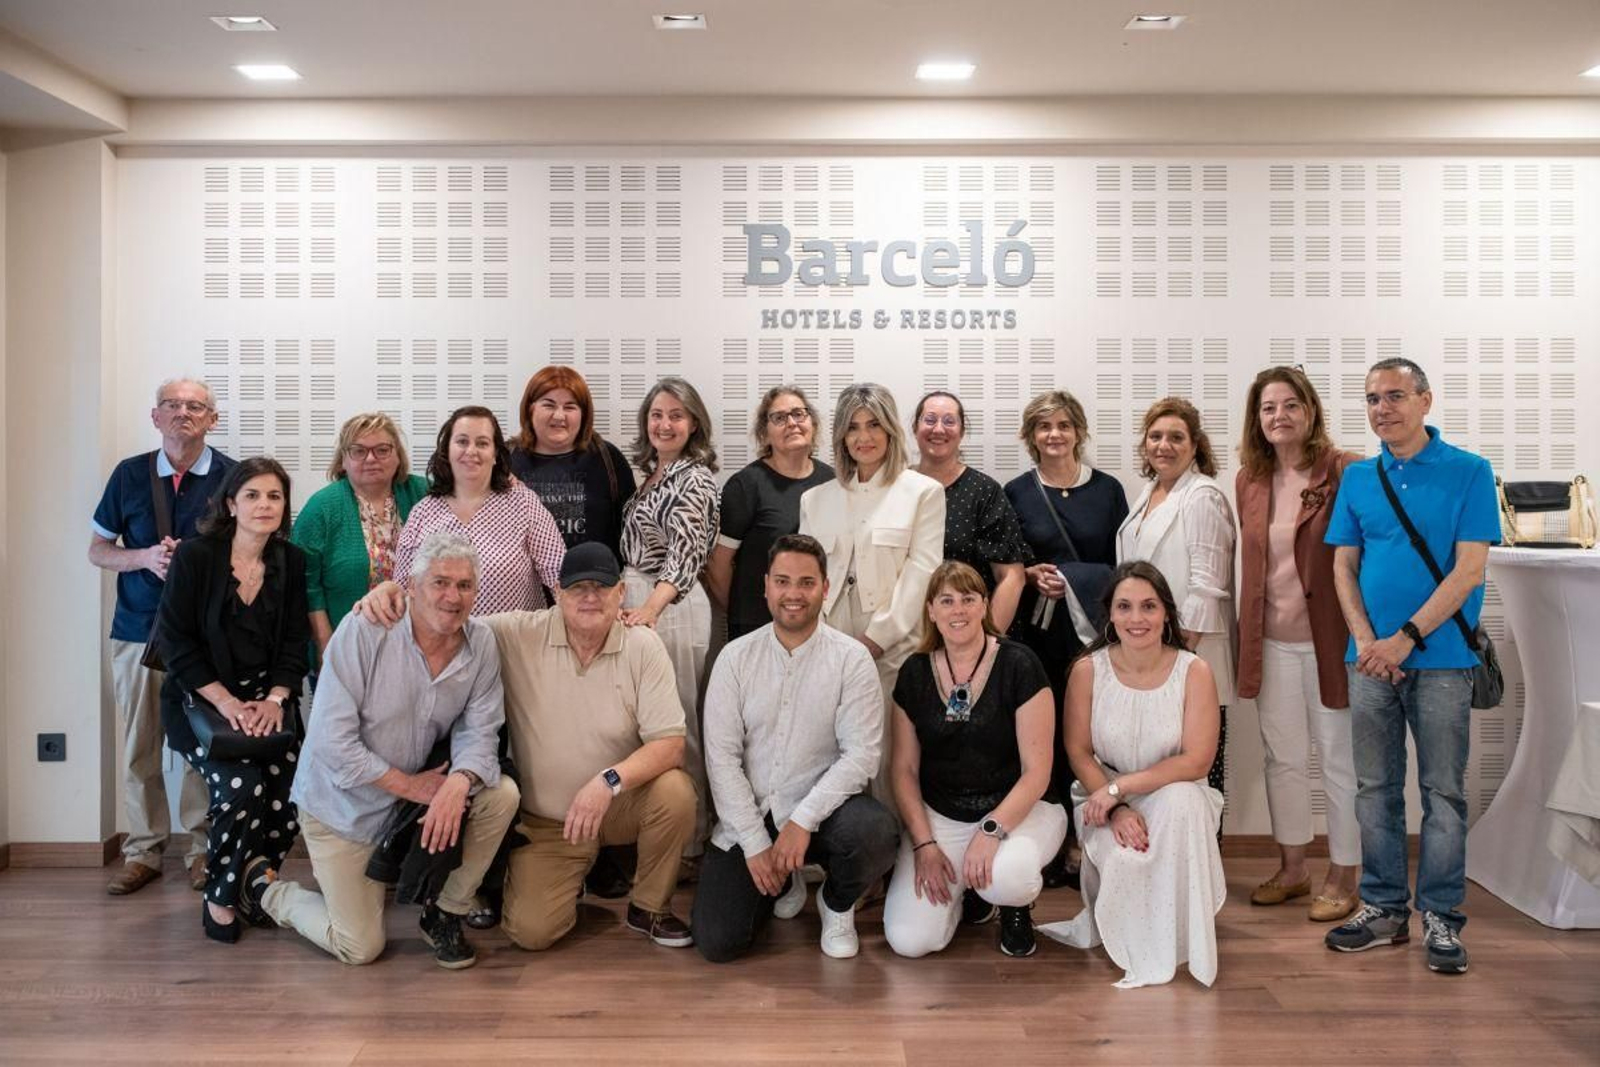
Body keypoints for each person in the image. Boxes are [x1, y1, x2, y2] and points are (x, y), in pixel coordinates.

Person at [355, 542, 699, 950]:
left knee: (676, 791)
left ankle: (649, 907)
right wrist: (390, 591)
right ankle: (571, 874)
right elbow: (448, 613)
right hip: (549, 819)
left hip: (617, 803)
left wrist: (607, 782)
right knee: (531, 933)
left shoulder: (643, 646)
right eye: (577, 588)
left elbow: (670, 745)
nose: (589, 597)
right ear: (557, 590)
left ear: (620, 593)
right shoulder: (516, 632)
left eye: (601, 587)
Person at [249, 531, 519, 969]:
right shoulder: (365, 630)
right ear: (410, 586)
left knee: (501, 793)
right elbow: (331, 741)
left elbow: (481, 729)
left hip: (408, 804)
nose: (453, 596)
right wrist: (412, 787)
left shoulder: (482, 643)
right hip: (342, 807)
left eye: (465, 585)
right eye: (440, 582)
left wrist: (459, 782)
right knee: (359, 947)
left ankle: (445, 912)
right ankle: (267, 890)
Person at [1322, 357, 1499, 976]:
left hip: (1443, 660)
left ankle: (1443, 919)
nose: (1382, 409)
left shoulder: (1470, 472)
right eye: (1372, 399)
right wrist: (1368, 641)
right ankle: (1383, 908)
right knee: (1374, 791)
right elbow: (1343, 566)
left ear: (1426, 400)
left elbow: (1469, 570)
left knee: (1443, 794)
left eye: (1395, 396)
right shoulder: (1358, 479)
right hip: (1368, 662)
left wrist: (1404, 639)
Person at [693, 534, 899, 962]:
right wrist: (754, 844)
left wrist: (802, 820)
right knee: (718, 943)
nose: (793, 594)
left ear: (825, 589)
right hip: (751, 816)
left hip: (822, 816)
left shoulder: (851, 659)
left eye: (806, 583)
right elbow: (722, 760)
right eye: (783, 581)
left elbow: (861, 755)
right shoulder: (734, 659)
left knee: (876, 832)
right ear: (765, 586)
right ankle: (784, 880)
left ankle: (835, 904)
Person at [1039, 561, 1225, 989]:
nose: (1136, 618)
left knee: (1182, 799)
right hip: (1101, 795)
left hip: (1172, 794)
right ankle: (1140, 946)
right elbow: (1078, 751)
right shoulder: (1088, 670)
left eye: (1148, 606)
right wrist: (1117, 805)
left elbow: (1197, 760)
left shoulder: (1193, 671)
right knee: (1127, 858)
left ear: (1166, 614)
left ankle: (1184, 941)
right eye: (1124, 607)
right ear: (1110, 615)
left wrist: (1123, 788)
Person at [153, 457, 310, 943]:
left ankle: (254, 885)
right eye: (253, 496)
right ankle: (220, 896)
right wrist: (227, 704)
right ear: (230, 504)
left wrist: (277, 698)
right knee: (242, 790)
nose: (265, 505)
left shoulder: (292, 560)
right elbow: (176, 643)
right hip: (203, 702)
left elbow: (293, 643)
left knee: (290, 798)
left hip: (270, 702)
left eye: (275, 496)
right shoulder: (196, 557)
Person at [90, 377, 235, 896]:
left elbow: (251, 552)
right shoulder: (128, 475)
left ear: (212, 419)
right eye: (171, 405)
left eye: (195, 406)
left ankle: (200, 850)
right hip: (136, 632)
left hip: (206, 638)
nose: (183, 413)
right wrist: (145, 558)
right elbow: (98, 550)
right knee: (139, 745)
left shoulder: (233, 477)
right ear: (155, 417)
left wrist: (197, 565)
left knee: (202, 745)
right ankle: (144, 852)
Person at [882, 562, 1067, 960]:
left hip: (1019, 809)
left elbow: (1037, 772)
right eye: (946, 600)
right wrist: (924, 844)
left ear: (985, 605)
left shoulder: (1019, 664)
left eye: (968, 599)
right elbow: (904, 770)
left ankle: (1011, 907)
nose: (958, 610)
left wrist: (990, 830)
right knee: (910, 941)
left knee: (1008, 878)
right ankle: (968, 896)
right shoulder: (914, 673)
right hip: (943, 814)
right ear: (931, 610)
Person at [1235, 367, 1362, 921]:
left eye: (1290, 405)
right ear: (1256, 419)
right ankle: (1293, 868)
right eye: (1268, 408)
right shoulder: (1249, 479)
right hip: (1271, 642)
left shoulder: (1345, 470)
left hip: (1330, 642)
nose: (1279, 416)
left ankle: (1345, 874)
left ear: (1310, 411)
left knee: (1338, 760)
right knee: (1282, 759)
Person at [1004, 390, 1128, 886]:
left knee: (1095, 733)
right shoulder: (1015, 491)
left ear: (1079, 430)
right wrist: (1031, 574)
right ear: (1030, 437)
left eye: (1063, 425)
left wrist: (1076, 577)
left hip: (1095, 635)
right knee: (1045, 737)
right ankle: (1055, 843)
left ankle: (1097, 837)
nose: (1054, 434)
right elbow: (1009, 563)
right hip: (1038, 634)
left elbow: (1124, 564)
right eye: (1043, 426)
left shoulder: (1109, 489)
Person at [800, 383, 944, 795]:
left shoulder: (922, 492)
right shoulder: (816, 498)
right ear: (841, 437)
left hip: (891, 643)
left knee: (885, 757)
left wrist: (876, 640)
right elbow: (808, 574)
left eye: (874, 425)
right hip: (826, 639)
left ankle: (892, 847)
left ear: (891, 431)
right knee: (825, 750)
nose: (864, 437)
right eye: (853, 428)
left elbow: (923, 572)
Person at [1117, 397, 1236, 808]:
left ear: (1195, 445)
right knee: (1153, 766)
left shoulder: (1202, 496)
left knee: (1197, 768)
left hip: (1190, 654)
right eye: (1155, 436)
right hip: (1149, 653)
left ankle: (1203, 863)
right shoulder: (1149, 493)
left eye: (1176, 437)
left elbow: (1207, 585)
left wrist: (1179, 656)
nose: (1163, 445)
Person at [619, 376, 721, 853]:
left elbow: (685, 556)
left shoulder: (694, 477)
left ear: (693, 422)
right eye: (657, 414)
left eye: (676, 415)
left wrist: (650, 610)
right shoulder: (657, 474)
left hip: (670, 605)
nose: (664, 424)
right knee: (651, 724)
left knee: (678, 726)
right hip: (643, 599)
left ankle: (691, 839)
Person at [395, 405, 565, 615]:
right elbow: (402, 589)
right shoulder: (423, 512)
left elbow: (560, 575)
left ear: (495, 455)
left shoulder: (523, 503)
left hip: (510, 644)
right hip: (440, 644)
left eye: (482, 443)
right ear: (447, 451)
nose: (471, 451)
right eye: (462, 441)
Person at [704, 385, 835, 641]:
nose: (792, 423)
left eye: (799, 414)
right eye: (779, 417)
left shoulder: (831, 481)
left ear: (813, 424)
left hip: (816, 625)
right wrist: (743, 611)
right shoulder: (746, 485)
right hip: (755, 626)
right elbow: (718, 565)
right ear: (765, 433)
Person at [292, 412, 428, 656]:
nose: (371, 458)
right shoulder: (322, 507)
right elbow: (305, 584)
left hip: (417, 647)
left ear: (398, 456)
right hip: (346, 647)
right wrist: (327, 647)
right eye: (358, 451)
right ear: (343, 460)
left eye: (382, 450)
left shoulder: (422, 493)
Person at [911, 390, 1029, 634]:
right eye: (930, 420)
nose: (939, 429)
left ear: (962, 431)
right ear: (915, 428)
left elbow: (1012, 577)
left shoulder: (984, 492)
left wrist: (984, 642)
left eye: (949, 421)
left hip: (969, 630)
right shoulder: (895, 487)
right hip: (904, 634)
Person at [508, 365, 636, 558]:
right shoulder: (503, 459)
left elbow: (633, 531)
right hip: (522, 587)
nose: (559, 415)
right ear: (530, 408)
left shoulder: (608, 458)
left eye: (570, 407)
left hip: (595, 587)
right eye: (549, 405)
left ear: (583, 414)